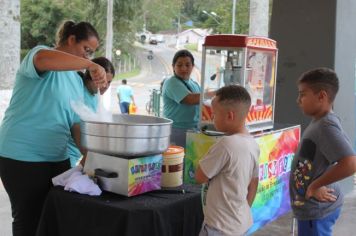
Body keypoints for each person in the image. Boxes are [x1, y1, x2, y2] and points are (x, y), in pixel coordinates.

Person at [0, 20, 106, 236]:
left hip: (57, 158)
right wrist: (90, 64)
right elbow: (44, 60)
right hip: (22, 156)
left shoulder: (76, 81)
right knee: (29, 218)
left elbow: (75, 124)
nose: (88, 57)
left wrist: (91, 156)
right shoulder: (40, 54)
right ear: (71, 39)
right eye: (86, 50)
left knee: (53, 218)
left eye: (91, 53)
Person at [289, 67, 356, 236]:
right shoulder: (320, 122)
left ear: (321, 96)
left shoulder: (326, 126)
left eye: (303, 94)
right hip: (311, 210)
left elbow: (350, 163)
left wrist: (315, 185)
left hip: (316, 212)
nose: (298, 100)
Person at [195, 85, 260, 236]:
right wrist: (243, 210)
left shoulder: (225, 144)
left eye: (214, 114)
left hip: (218, 226)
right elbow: (254, 183)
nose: (212, 118)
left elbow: (200, 177)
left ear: (230, 116)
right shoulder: (252, 143)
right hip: (239, 223)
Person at [68, 57, 115, 167]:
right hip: (67, 156)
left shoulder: (95, 96)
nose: (105, 86)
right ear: (91, 76)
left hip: (78, 155)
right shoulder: (77, 89)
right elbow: (76, 127)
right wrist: (88, 157)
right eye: (102, 81)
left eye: (109, 82)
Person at [162, 49, 203, 147]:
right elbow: (189, 99)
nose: (184, 68)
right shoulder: (171, 82)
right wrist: (217, 94)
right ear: (173, 67)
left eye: (187, 65)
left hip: (193, 129)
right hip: (176, 130)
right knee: (178, 161)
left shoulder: (194, 84)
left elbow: (202, 100)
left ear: (193, 67)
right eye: (179, 65)